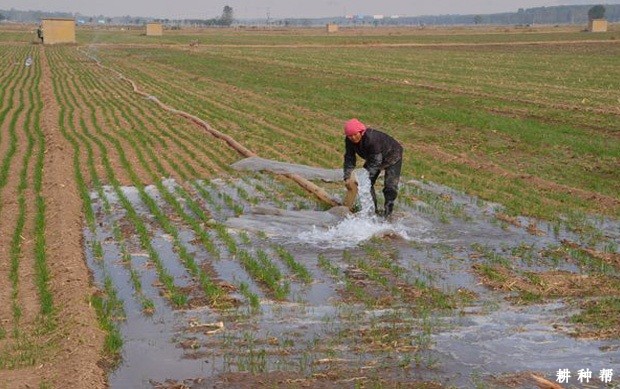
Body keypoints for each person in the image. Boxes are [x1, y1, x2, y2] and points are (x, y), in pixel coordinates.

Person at [343, 118, 403, 218]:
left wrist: (366, 177)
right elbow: (349, 157)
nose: (353, 137)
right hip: (373, 157)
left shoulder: (371, 139)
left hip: (392, 155)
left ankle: (388, 213)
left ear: (361, 132)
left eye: (355, 134)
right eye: (350, 136)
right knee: (366, 184)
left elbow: (376, 162)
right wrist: (347, 176)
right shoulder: (349, 141)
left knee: (390, 186)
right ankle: (372, 212)